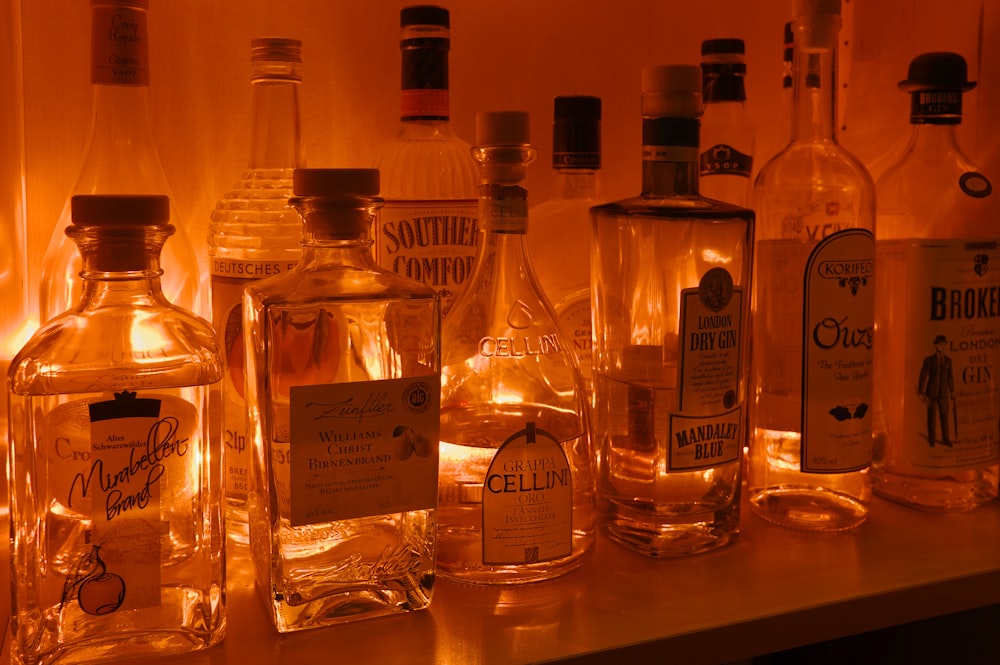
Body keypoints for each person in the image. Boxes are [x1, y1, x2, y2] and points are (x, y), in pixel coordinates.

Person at [917, 334, 955, 447]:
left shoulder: (948, 361)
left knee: (944, 416)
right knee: (932, 418)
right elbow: (923, 376)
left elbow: (950, 377)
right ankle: (932, 441)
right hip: (931, 392)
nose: (942, 346)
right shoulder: (929, 360)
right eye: (940, 344)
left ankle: (946, 439)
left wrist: (952, 391)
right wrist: (921, 392)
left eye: (944, 344)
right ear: (935, 345)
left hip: (943, 392)